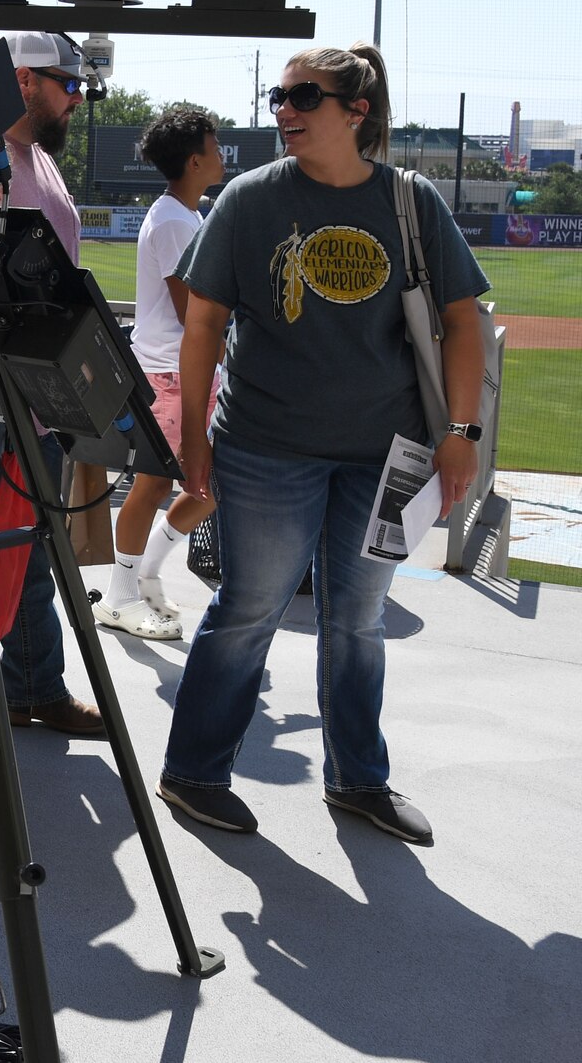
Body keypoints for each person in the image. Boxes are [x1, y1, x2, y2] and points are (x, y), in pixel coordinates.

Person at [159, 44, 488, 845]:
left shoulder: (409, 201)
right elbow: (202, 325)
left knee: (359, 619)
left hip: (387, 455)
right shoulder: (249, 199)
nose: (285, 110)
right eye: (279, 97)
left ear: (358, 110)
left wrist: (460, 432)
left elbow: (462, 319)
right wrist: (194, 439)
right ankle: (195, 771)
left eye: (305, 95)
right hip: (267, 446)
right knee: (248, 608)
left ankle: (358, 779)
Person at [0, 31, 104, 736]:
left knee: (29, 550)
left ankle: (34, 683)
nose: (78, 100)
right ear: (25, 80)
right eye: (70, 86)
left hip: (37, 400)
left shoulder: (37, 160)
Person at [101, 106, 225, 640]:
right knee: (153, 485)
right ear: (195, 160)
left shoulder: (184, 213)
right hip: (169, 375)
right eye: (215, 146)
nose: (222, 155)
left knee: (207, 486)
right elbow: (190, 311)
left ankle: (144, 576)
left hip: (185, 373)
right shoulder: (176, 220)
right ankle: (120, 595)